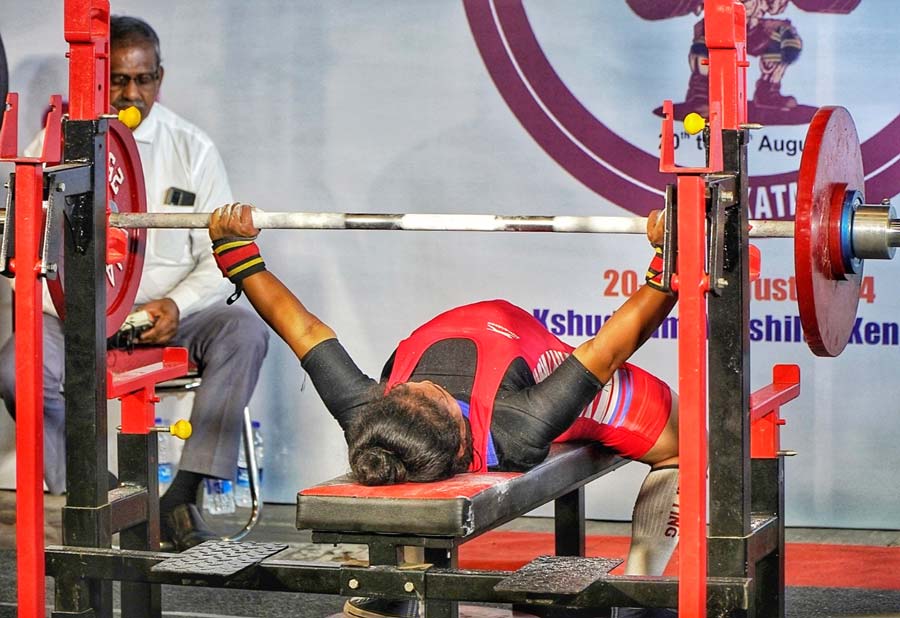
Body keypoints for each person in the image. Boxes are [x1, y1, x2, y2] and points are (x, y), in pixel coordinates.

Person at [209, 204, 680, 618]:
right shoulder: (520, 424)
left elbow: (304, 330)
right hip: (537, 366)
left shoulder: (366, 416)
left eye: (405, 389)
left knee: (393, 466)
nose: (422, 382)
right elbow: (609, 347)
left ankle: (399, 584)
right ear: (460, 435)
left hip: (474, 356)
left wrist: (238, 256)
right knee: (681, 446)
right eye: (430, 395)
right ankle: (643, 587)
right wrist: (671, 263)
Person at [0, 16, 269, 551]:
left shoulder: (192, 149)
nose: (130, 92)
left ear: (159, 78)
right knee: (15, 370)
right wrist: (79, 315)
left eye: (142, 79)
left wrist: (176, 303)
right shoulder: (55, 145)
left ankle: (181, 499)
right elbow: (26, 257)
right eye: (118, 79)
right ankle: (89, 487)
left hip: (170, 317)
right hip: (80, 318)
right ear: (97, 76)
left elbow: (220, 260)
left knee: (244, 331)